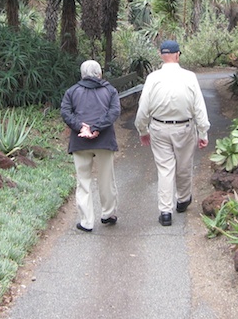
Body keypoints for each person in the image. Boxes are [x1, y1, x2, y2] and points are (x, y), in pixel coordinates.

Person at [135, 40, 210, 226]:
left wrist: (142, 129)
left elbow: (143, 108)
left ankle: (165, 211)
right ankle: (183, 199)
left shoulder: (153, 78)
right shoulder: (190, 77)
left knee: (165, 169)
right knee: (184, 165)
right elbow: (199, 107)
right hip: (184, 127)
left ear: (161, 55)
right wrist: (203, 132)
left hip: (159, 128)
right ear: (178, 55)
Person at [60, 60, 121, 232]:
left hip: (80, 142)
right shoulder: (110, 90)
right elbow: (114, 112)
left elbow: (65, 112)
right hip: (104, 140)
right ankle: (108, 214)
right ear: (99, 73)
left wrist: (82, 127)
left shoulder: (72, 91)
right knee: (106, 179)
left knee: (83, 181)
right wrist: (96, 129)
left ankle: (86, 222)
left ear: (82, 74)